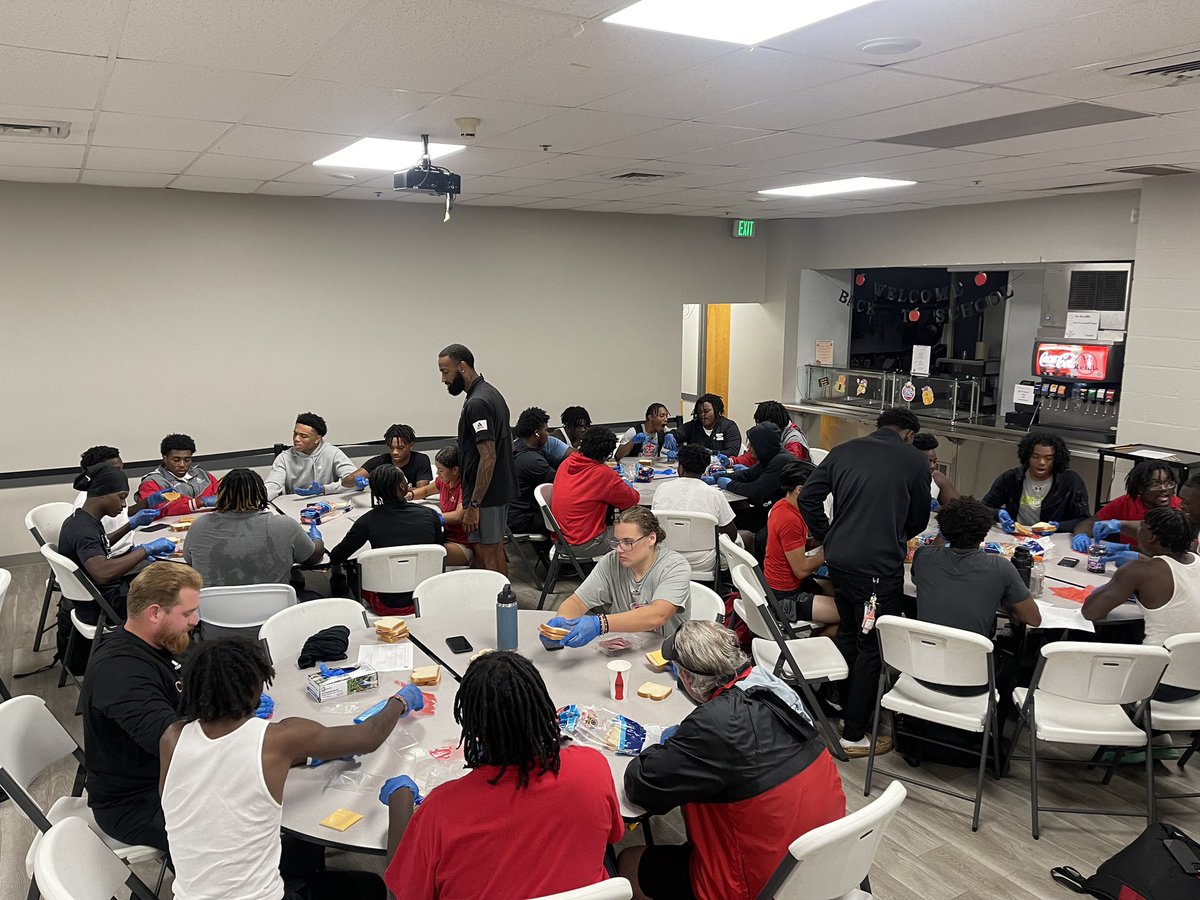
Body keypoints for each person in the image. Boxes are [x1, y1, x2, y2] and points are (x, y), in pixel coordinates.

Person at [161, 638, 421, 900]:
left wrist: (301, 757)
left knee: (302, 853)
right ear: (255, 685)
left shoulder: (172, 738)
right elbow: (369, 736)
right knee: (368, 887)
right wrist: (400, 701)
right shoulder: (280, 739)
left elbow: (221, 770)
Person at [620, 621, 846, 900]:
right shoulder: (775, 691)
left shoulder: (713, 726)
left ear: (688, 679)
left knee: (629, 862)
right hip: (828, 860)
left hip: (764, 886)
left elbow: (641, 786)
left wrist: (666, 743)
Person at [383, 651, 623, 900]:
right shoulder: (593, 767)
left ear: (473, 729)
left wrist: (400, 800)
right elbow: (613, 836)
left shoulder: (440, 811)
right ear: (544, 710)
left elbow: (404, 892)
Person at [798, 408, 931, 757]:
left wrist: (829, 534)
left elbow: (809, 497)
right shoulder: (914, 460)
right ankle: (854, 734)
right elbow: (919, 516)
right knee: (871, 645)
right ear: (908, 434)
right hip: (877, 568)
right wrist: (896, 535)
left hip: (840, 562)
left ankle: (840, 710)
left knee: (849, 635)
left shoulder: (844, 450)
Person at [82, 563, 201, 852]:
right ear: (155, 613)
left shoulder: (164, 641)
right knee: (234, 830)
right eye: (187, 613)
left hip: (172, 778)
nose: (195, 620)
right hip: (134, 802)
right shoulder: (121, 672)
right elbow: (176, 744)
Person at [547, 507, 692, 647]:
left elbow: (658, 615)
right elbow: (577, 602)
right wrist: (560, 628)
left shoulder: (675, 566)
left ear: (651, 538)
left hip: (664, 652)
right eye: (616, 541)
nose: (619, 549)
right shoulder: (611, 562)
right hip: (624, 648)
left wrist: (600, 624)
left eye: (628, 542)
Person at [439, 343, 518, 574]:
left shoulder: (478, 403)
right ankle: (503, 602)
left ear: (462, 367)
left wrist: (474, 504)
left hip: (487, 496)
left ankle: (500, 606)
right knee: (492, 550)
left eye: (446, 371)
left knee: (487, 554)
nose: (443, 379)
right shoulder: (488, 393)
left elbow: (489, 457)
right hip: (494, 492)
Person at [58, 463, 172, 624]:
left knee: (164, 575)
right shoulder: (84, 530)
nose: (124, 504)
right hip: (104, 607)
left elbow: (101, 544)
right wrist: (145, 550)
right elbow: (103, 573)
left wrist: (130, 526)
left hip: (99, 596)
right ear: (102, 495)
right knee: (176, 591)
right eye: (121, 497)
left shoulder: (81, 519)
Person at [1084, 508, 1200, 664]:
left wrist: (1120, 581)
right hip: (1193, 673)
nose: (1137, 532)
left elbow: (1091, 612)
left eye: (1140, 528)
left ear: (1151, 537)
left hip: (1157, 670)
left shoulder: (1138, 571)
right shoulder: (1196, 560)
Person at [913, 498, 1040, 637]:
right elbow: (1033, 619)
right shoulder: (1000, 567)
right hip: (972, 655)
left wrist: (943, 533)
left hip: (924, 652)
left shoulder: (923, 556)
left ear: (943, 530)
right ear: (985, 533)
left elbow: (916, 579)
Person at [329, 464, 444, 614]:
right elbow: (439, 550)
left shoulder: (367, 521)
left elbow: (338, 555)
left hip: (384, 603)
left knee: (352, 566)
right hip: (427, 596)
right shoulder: (430, 515)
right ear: (403, 486)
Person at [183, 468, 325, 588]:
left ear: (220, 494)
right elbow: (312, 558)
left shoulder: (199, 526)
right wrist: (317, 539)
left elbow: (190, 561)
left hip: (214, 617)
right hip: (274, 615)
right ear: (261, 494)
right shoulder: (284, 525)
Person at [764, 461, 838, 630]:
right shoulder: (790, 520)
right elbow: (801, 569)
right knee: (850, 614)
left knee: (840, 591)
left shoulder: (782, 505)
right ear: (800, 490)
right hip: (785, 596)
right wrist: (831, 548)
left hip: (781, 585)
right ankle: (814, 641)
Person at [551, 425, 640, 557]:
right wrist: (623, 484)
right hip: (584, 544)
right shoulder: (603, 474)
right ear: (605, 455)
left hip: (561, 540)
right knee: (640, 533)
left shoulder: (568, 462)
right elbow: (632, 500)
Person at [651, 442, 738, 576]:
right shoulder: (715, 494)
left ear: (680, 468)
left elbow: (654, 526)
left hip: (665, 558)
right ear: (704, 470)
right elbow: (731, 534)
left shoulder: (661, 489)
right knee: (746, 538)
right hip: (703, 561)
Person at [982, 432, 1089, 533]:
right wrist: (997, 514)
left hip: (1054, 538)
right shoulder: (1011, 478)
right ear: (1027, 456)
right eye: (1035, 457)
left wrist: (1058, 526)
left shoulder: (1070, 481)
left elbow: (1083, 520)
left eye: (1048, 458)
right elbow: (983, 508)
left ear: (1056, 459)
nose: (1041, 462)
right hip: (1016, 535)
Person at [1073, 459, 1184, 553]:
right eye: (1155, 484)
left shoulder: (1180, 508)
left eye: (1168, 483)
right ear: (1140, 488)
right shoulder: (1127, 502)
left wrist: (1127, 549)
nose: (1164, 488)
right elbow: (1089, 523)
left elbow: (1171, 552)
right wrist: (1081, 536)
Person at [716, 422, 796, 539]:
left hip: (783, 515)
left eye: (752, 445)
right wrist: (720, 476)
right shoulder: (770, 456)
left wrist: (729, 485)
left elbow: (757, 489)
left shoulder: (781, 460)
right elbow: (748, 474)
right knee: (735, 517)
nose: (748, 448)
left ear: (762, 446)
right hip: (771, 508)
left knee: (734, 521)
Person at [264, 412, 355, 500]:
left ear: (317, 439)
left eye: (303, 436)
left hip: (327, 503)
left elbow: (353, 481)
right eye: (295, 434)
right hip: (294, 505)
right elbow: (272, 485)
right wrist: (258, 498)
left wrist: (324, 489)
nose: (296, 439)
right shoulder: (284, 458)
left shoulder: (332, 453)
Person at [409, 445, 473, 567]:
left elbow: (458, 516)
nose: (438, 473)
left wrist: (429, 517)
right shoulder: (443, 481)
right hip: (445, 536)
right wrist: (408, 496)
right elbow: (425, 491)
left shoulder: (464, 487)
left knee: (422, 556)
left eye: (441, 470)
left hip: (462, 544)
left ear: (455, 470)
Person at [135, 433, 220, 516]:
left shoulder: (204, 475)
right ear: (165, 459)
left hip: (207, 524)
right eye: (176, 460)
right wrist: (197, 503)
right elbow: (153, 511)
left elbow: (223, 496)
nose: (182, 464)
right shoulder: (152, 482)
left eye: (187, 460)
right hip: (169, 528)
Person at [74, 445, 134, 553]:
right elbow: (98, 544)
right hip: (115, 557)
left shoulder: (109, 493)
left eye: (121, 469)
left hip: (128, 548)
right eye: (116, 470)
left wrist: (146, 503)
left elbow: (120, 516)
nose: (121, 475)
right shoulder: (86, 503)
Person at [510, 406, 558, 537]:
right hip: (522, 518)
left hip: (516, 515)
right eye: (546, 431)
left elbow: (561, 465)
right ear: (537, 433)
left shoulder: (521, 447)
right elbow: (560, 482)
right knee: (569, 519)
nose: (547, 435)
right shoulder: (531, 460)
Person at [341, 423, 433, 492]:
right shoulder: (380, 461)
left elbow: (422, 491)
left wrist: (392, 488)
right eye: (391, 448)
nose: (395, 452)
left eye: (400, 448)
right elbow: (345, 482)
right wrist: (355, 481)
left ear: (411, 445)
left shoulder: (421, 460)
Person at [729, 400, 809, 466]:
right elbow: (752, 456)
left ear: (770, 421)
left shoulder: (794, 440)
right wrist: (732, 461)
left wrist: (752, 472)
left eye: (761, 422)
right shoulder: (767, 434)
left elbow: (785, 467)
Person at [674, 393, 741, 455]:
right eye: (700, 412)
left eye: (706, 411)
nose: (703, 415)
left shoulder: (729, 427)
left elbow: (732, 452)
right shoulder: (693, 425)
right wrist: (670, 436)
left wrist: (711, 452)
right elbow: (677, 434)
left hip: (723, 466)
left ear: (716, 411)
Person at [912, 432, 959, 505]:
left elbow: (959, 508)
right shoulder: (899, 478)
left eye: (934, 461)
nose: (932, 466)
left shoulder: (937, 478)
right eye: (928, 461)